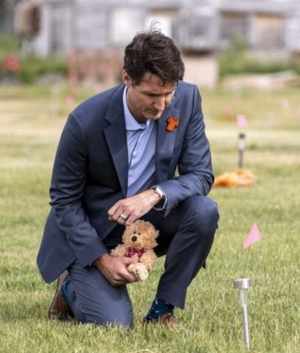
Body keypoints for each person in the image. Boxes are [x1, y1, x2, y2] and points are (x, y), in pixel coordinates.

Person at [37, 29, 219, 327]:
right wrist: (101, 259)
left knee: (203, 211)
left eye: (168, 93)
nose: (161, 106)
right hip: (95, 233)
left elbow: (200, 174)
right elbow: (64, 199)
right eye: (150, 94)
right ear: (127, 79)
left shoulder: (187, 100)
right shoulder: (84, 121)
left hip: (151, 222)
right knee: (115, 324)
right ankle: (69, 286)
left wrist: (154, 194)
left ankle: (163, 308)